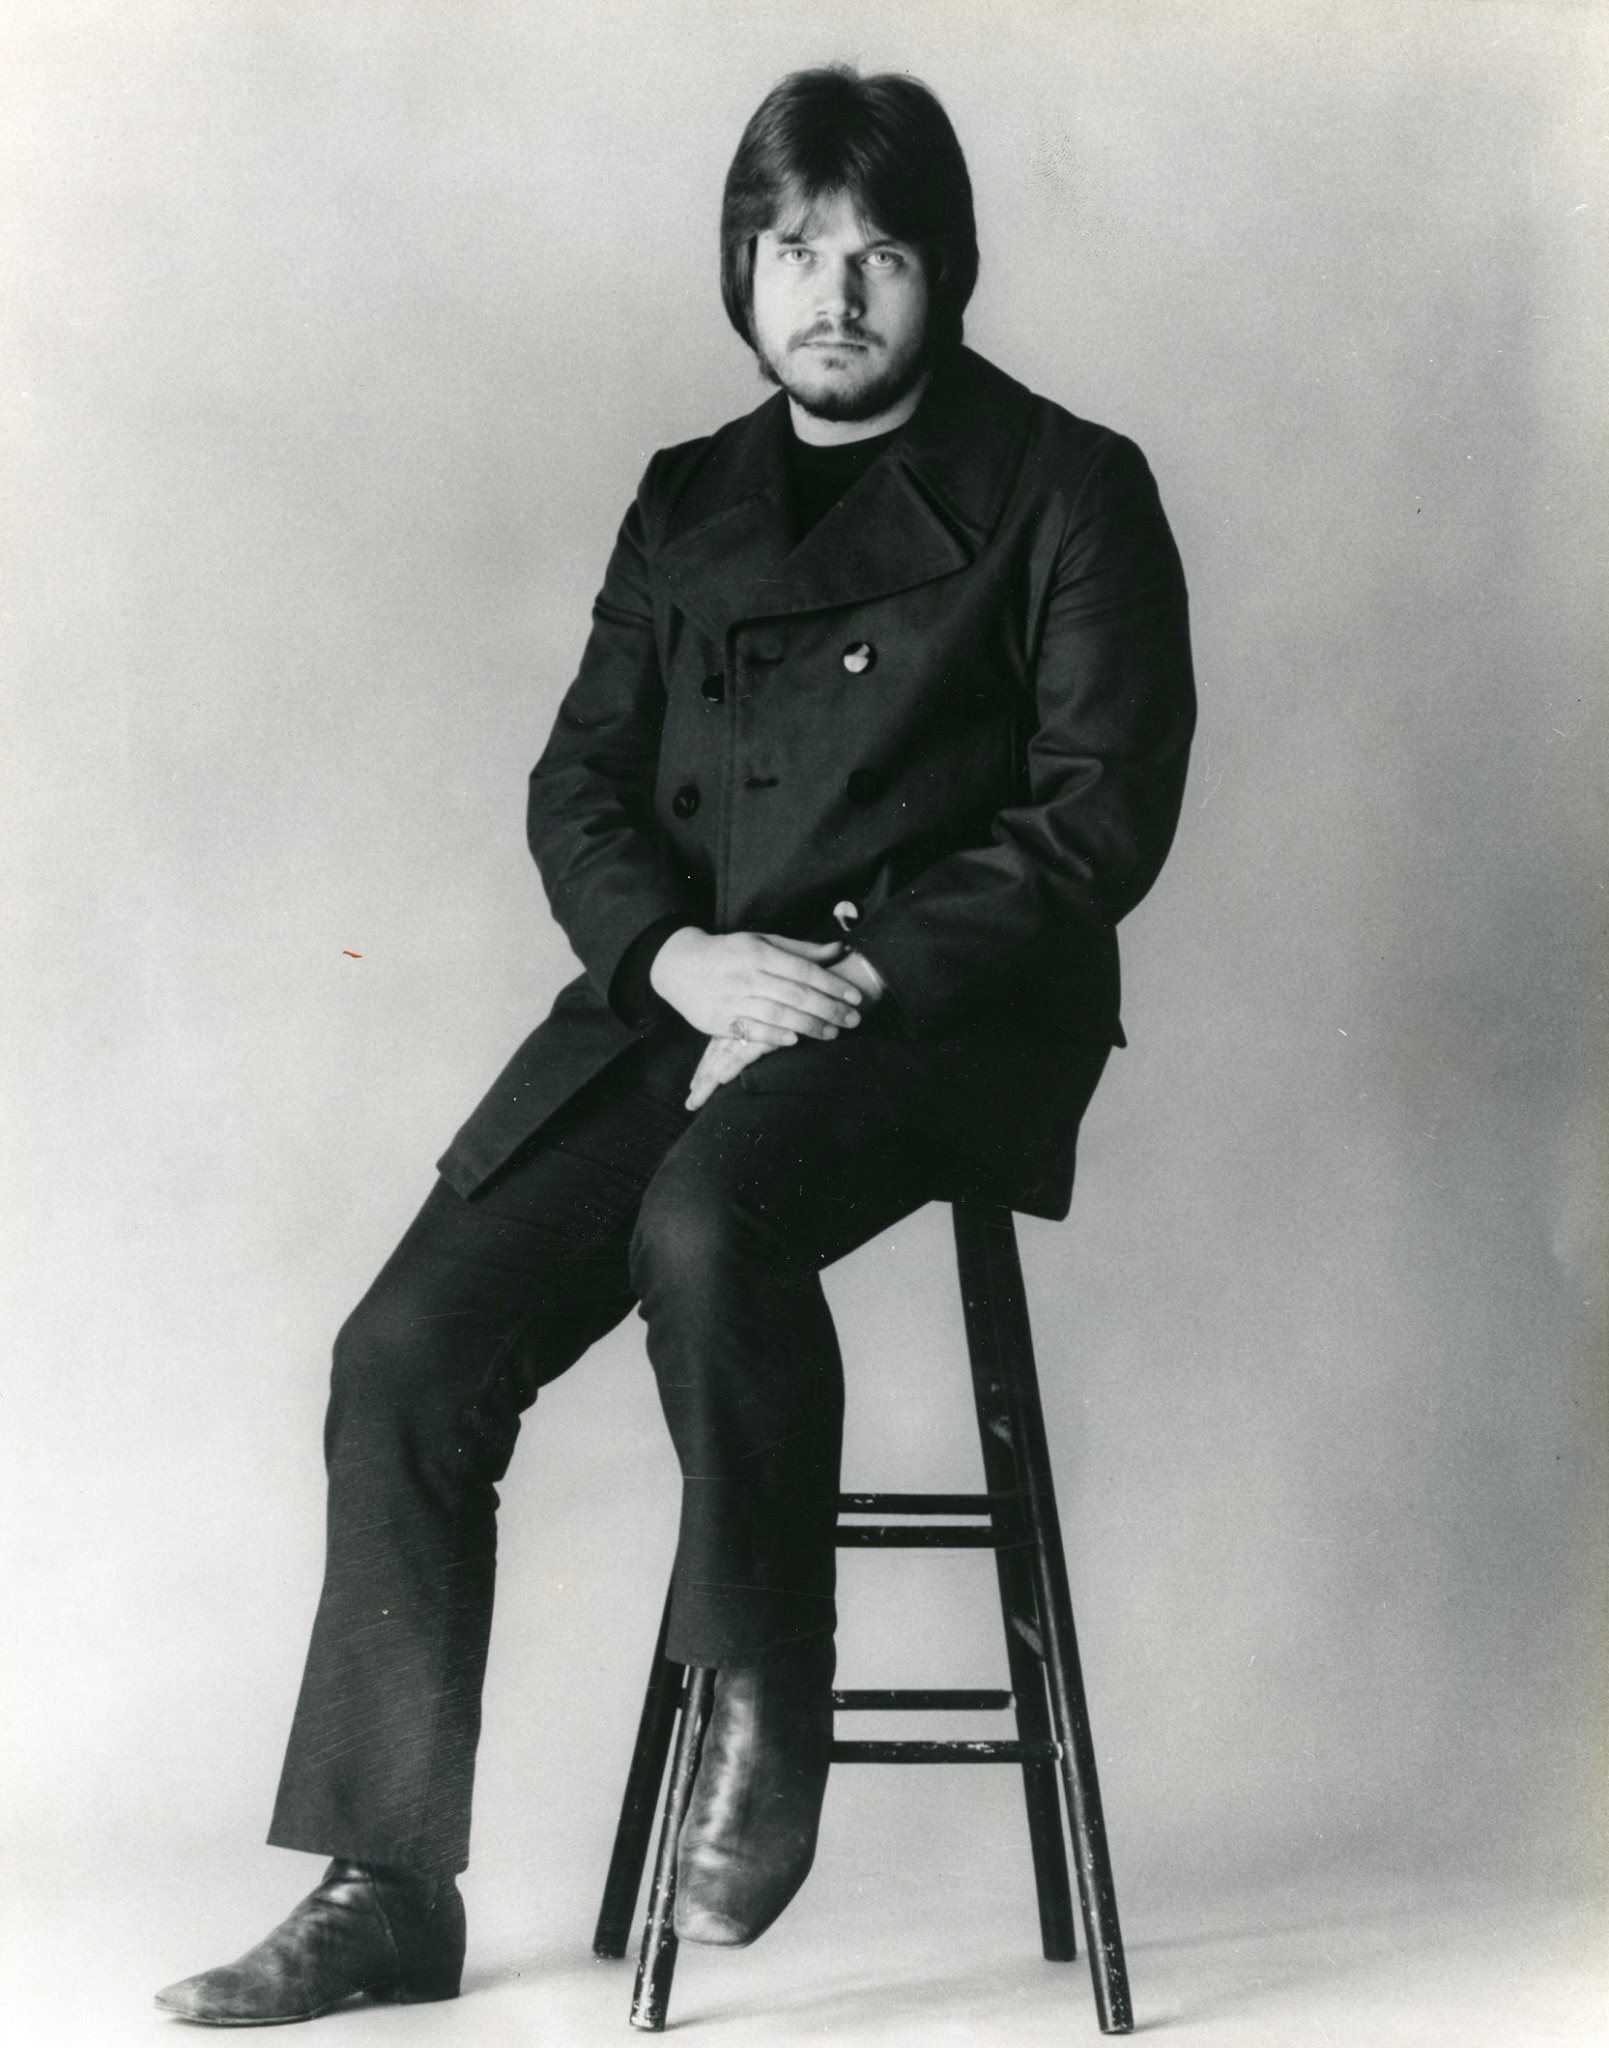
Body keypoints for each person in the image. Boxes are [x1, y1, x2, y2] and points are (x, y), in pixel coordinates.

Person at [155, 62, 1195, 2027]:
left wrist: (847, 979)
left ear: (947, 270)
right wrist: (680, 961)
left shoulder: (1067, 485)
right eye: (793, 250)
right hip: (691, 992)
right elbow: (579, 786)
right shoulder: (682, 497)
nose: (834, 294)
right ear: (741, 270)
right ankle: (385, 1884)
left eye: (879, 253)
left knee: (710, 1221)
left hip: (936, 1011)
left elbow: (1094, 819)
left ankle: (761, 1693)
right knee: (404, 1353)